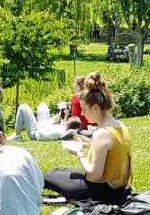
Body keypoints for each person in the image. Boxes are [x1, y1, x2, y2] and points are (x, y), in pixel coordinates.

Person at [44, 73, 132, 203]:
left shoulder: (102, 134)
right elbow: (112, 152)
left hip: (102, 191)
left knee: (47, 177)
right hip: (120, 188)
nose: (82, 114)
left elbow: (93, 176)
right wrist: (88, 143)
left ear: (96, 108)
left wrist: (79, 153)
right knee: (59, 171)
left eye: (84, 109)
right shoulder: (120, 126)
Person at [11, 102, 80, 141]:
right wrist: (62, 115)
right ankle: (23, 124)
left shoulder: (62, 132)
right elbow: (59, 123)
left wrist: (50, 122)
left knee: (23, 107)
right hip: (45, 124)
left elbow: (43, 133)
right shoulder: (64, 126)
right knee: (43, 105)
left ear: (69, 124)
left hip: (36, 130)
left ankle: (17, 135)